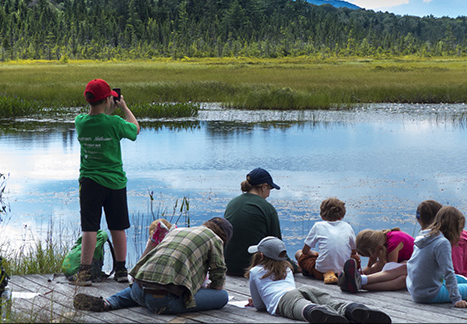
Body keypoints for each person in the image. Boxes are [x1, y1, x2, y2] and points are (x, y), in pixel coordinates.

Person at [73, 217, 233, 315]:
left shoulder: (178, 231)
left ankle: (109, 302)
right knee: (222, 297)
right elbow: (218, 273)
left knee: (148, 284)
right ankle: (156, 302)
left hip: (138, 290)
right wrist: (211, 287)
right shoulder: (215, 239)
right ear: (224, 238)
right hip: (163, 301)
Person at [72, 78, 140, 286]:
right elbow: (135, 130)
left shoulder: (80, 122)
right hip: (115, 182)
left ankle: (84, 273)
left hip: (90, 182)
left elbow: (98, 120)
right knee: (117, 227)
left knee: (90, 228)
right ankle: (121, 270)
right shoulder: (115, 123)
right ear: (108, 99)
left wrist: (107, 107)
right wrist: (125, 108)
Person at [246, 236, 391, 324]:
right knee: (330, 301)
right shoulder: (287, 267)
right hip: (301, 290)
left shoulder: (255, 271)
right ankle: (351, 308)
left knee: (300, 307)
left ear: (262, 255)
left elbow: (259, 305)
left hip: (283, 300)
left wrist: (258, 301)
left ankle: (316, 312)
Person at [223, 167, 298, 276]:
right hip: (253, 267)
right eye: (270, 189)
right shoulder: (267, 208)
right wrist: (294, 266)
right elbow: (277, 247)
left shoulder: (232, 203)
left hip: (228, 265)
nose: (268, 194)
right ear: (264, 186)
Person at [406, 206, 467, 307]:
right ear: (454, 228)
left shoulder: (425, 235)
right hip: (428, 294)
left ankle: (447, 287)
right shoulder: (442, 243)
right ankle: (449, 290)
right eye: (460, 229)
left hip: (415, 289)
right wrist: (457, 299)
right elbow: (448, 272)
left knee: (465, 280)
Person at [295, 197, 359, 284]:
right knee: (355, 258)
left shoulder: (318, 226)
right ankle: (340, 274)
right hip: (345, 270)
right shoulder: (347, 226)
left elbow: (305, 251)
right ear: (342, 215)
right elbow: (354, 252)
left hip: (321, 272)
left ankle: (321, 273)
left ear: (322, 215)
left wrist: (314, 254)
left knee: (298, 253)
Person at [416, 200, 467, 279]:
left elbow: (456, 270)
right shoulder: (459, 237)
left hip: (458, 280)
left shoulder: (455, 243)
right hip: (459, 278)